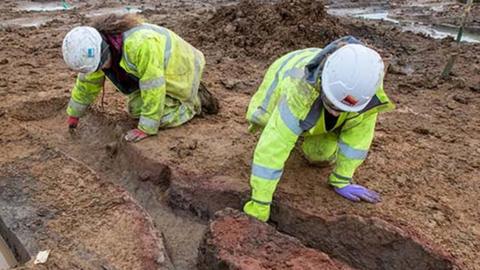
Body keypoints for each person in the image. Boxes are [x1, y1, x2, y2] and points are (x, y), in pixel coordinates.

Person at [243, 36, 395, 222]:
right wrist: (259, 204)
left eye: (343, 109)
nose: (337, 113)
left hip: (328, 92)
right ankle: (290, 127)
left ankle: (304, 130)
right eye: (333, 104)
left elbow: (358, 142)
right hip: (285, 71)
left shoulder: (366, 94)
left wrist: (342, 179)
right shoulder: (299, 92)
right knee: (264, 120)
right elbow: (271, 149)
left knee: (320, 154)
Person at [62, 14, 218, 142]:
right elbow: (87, 83)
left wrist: (146, 128)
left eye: (98, 66)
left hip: (182, 69)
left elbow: (153, 86)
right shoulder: (99, 47)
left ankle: (194, 103)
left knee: (159, 117)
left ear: (104, 50)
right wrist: (74, 114)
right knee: (136, 108)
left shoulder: (140, 45)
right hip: (158, 70)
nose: (99, 70)